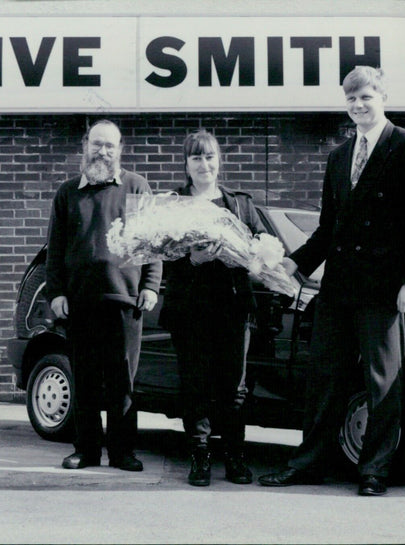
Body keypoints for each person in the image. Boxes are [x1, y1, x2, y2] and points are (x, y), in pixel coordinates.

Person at [258, 66, 405, 496]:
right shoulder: (339, 156)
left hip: (383, 289)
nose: (358, 106)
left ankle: (374, 470)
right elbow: (327, 228)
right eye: (351, 99)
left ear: (383, 97)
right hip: (336, 289)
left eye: (366, 97)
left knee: (382, 381)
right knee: (323, 378)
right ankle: (309, 463)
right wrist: (292, 264)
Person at [45, 119, 161, 472]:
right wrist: (56, 293)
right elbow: (55, 249)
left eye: (110, 145)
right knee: (85, 380)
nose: (103, 151)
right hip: (79, 303)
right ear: (85, 146)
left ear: (120, 149)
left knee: (122, 382)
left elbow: (153, 242)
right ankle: (87, 450)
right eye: (97, 144)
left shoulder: (137, 187)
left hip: (126, 302)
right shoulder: (67, 192)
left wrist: (150, 286)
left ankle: (123, 452)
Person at [159, 130, 265, 486]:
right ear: (186, 164)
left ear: (219, 161)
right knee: (196, 385)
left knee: (234, 387)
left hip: (233, 308)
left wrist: (250, 257)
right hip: (190, 309)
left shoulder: (240, 204)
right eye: (196, 158)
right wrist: (192, 259)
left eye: (209, 157)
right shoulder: (173, 205)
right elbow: (159, 256)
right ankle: (200, 457)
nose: (204, 164)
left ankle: (235, 458)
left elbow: (265, 248)